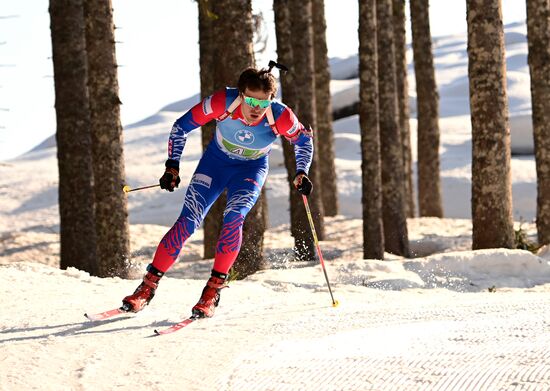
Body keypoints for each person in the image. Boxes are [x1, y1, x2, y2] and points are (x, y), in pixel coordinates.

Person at [122, 64, 314, 318]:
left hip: (251, 169)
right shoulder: (222, 102)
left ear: (272, 100)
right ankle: (146, 288)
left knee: (234, 217)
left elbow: (303, 140)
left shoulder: (281, 116)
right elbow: (181, 126)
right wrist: (172, 167)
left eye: (264, 103)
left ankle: (212, 292)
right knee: (188, 221)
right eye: (251, 101)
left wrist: (302, 172)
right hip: (215, 164)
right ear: (241, 95)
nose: (257, 109)